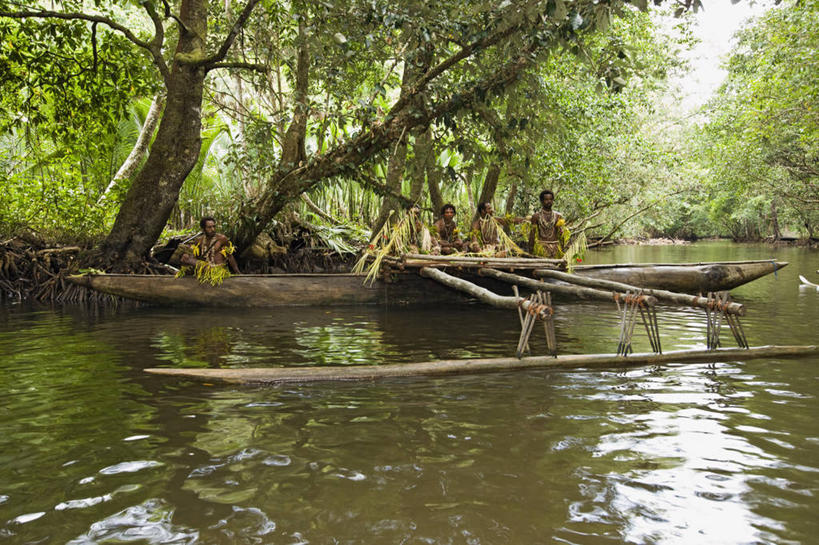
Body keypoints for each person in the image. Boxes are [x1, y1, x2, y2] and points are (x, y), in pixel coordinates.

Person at [528, 189, 566, 258]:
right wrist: (530, 251)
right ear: (542, 201)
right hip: (541, 249)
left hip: (555, 249)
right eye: (546, 199)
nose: (549, 201)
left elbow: (561, 235)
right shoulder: (536, 216)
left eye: (551, 199)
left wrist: (563, 250)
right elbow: (532, 234)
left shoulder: (558, 216)